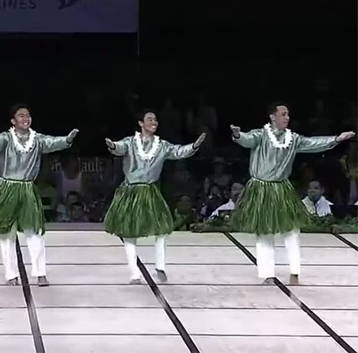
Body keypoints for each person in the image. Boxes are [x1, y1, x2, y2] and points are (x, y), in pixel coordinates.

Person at [230, 102, 354, 284]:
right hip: (261, 189)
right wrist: (237, 134)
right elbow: (246, 139)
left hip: (282, 188)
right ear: (272, 117)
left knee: (292, 230)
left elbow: (313, 144)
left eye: (288, 114)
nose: (287, 117)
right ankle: (267, 274)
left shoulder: (293, 138)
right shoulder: (261, 135)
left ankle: (295, 271)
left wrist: (336, 139)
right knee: (265, 232)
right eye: (283, 114)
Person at [0, 104, 78, 286]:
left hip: (27, 189)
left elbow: (52, 142)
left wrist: (67, 139)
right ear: (13, 121)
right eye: (21, 115)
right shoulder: (6, 138)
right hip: (6, 188)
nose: (25, 118)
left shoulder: (37, 139)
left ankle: (40, 272)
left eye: (28, 115)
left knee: (34, 232)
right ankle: (11, 274)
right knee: (7, 233)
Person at [104, 110, 205, 284]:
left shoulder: (162, 145)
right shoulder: (130, 142)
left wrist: (194, 146)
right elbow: (119, 148)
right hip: (131, 193)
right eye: (150, 119)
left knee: (162, 230)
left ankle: (160, 266)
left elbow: (178, 151)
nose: (154, 122)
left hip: (151, 193)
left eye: (156, 119)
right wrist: (113, 145)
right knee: (129, 233)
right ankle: (134, 273)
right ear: (141, 123)